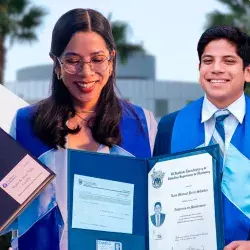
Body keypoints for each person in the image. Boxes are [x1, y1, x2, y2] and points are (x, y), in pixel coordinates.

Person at [3, 8, 157, 250]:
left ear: (111, 59)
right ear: (56, 64)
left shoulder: (142, 124)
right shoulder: (25, 123)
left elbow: (161, 206)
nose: (86, 73)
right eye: (73, 61)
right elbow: (8, 208)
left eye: (97, 59)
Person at [154, 25, 250, 249]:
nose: (216, 69)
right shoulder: (170, 126)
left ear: (247, 71)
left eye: (228, 61)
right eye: (208, 61)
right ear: (199, 70)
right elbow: (156, 196)